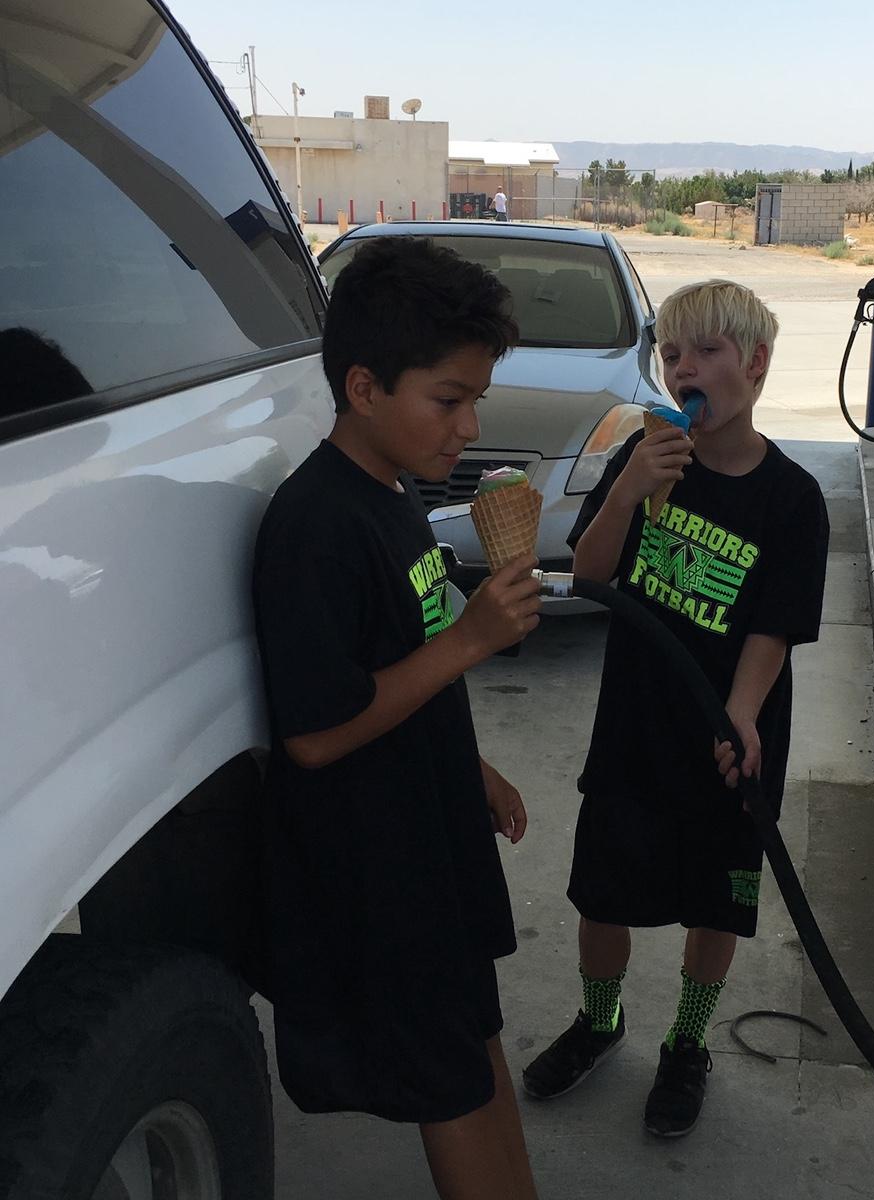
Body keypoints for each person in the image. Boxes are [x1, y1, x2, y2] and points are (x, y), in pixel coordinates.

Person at [252, 236, 542, 1200]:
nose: (468, 427)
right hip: (384, 872)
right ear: (365, 387)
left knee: (478, 1047)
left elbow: (404, 658)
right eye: (448, 401)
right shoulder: (315, 525)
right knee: (448, 1085)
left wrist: (470, 767)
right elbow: (314, 734)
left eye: (476, 401)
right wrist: (473, 639)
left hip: (435, 837)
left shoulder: (394, 490)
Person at [521, 279, 829, 1138]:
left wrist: (741, 716)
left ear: (756, 364)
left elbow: (774, 626)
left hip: (732, 731)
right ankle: (600, 1019)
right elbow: (589, 578)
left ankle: (688, 1041)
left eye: (705, 352)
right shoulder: (647, 458)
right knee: (603, 893)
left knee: (713, 900)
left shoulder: (793, 498)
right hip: (636, 721)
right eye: (670, 354)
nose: (682, 368)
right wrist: (626, 491)